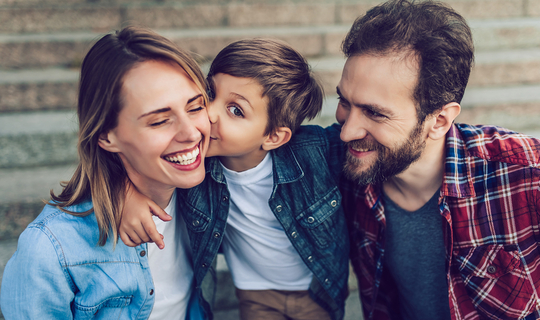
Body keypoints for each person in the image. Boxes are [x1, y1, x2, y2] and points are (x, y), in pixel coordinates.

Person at [337, 0, 540, 320]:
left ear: (440, 120)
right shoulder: (345, 170)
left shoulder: (525, 175)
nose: (347, 131)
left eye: (374, 112)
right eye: (344, 101)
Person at [120, 39, 350, 320]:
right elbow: (134, 151)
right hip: (255, 297)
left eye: (236, 110)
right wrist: (125, 191)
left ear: (273, 137)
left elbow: (364, 141)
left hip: (318, 292)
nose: (211, 114)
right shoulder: (194, 167)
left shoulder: (313, 151)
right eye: (210, 93)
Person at [0, 26, 213, 319]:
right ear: (106, 136)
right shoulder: (49, 250)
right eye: (160, 121)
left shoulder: (210, 192)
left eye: (196, 107)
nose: (191, 134)